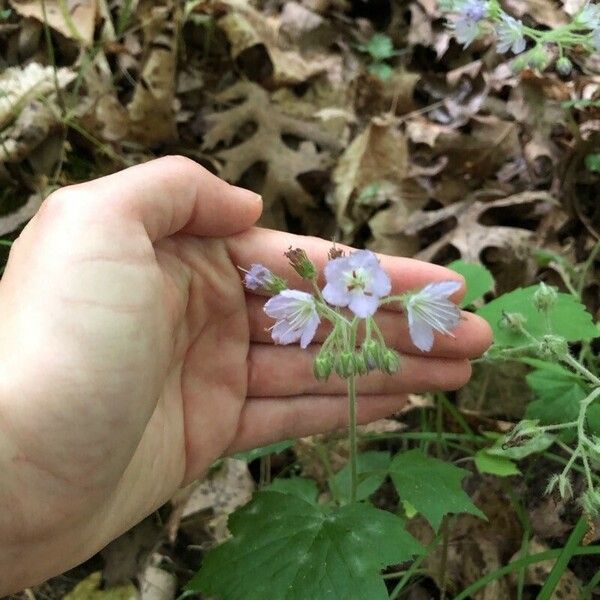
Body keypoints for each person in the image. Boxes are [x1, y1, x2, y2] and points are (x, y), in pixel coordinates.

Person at [0, 156, 492, 594]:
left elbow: (354, 293)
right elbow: (334, 298)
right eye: (356, 280)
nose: (359, 282)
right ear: (349, 280)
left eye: (363, 281)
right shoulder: (340, 291)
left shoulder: (359, 288)